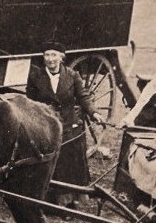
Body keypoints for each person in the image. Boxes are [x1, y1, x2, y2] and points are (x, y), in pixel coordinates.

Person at [25, 43, 102, 207]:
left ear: (61, 57)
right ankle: (53, 202)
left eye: (54, 55)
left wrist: (94, 113)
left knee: (70, 161)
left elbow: (84, 97)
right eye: (46, 55)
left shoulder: (73, 75)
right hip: (47, 126)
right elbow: (30, 102)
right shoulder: (35, 77)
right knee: (51, 163)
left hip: (69, 125)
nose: (50, 59)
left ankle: (71, 200)